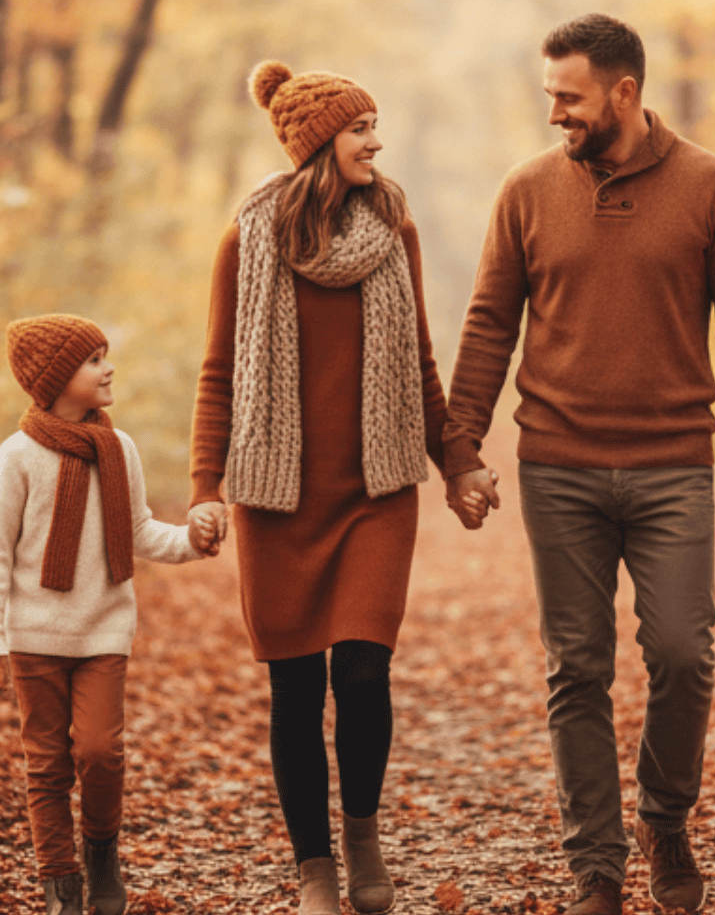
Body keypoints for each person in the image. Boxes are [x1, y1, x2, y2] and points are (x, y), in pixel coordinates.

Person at [442, 13, 715, 915]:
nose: (553, 112)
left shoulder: (711, 185)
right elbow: (488, 324)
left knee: (682, 652)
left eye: (569, 96)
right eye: (549, 94)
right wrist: (461, 448)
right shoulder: (525, 192)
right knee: (578, 665)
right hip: (557, 466)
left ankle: (664, 820)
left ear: (624, 93)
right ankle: (596, 864)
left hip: (674, 460)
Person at [189, 61, 460, 915]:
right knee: (297, 690)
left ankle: (364, 838)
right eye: (359, 129)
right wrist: (204, 487)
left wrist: (459, 465)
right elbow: (217, 375)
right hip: (275, 498)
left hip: (374, 492)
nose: (376, 142)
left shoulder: (394, 229)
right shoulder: (248, 239)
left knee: (365, 673)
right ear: (316, 147)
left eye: (375, 125)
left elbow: (419, 362)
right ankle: (313, 868)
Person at [0, 314, 205, 915]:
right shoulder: (17, 457)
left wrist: (193, 542)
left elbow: (141, 532)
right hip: (33, 637)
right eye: (94, 359)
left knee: (101, 752)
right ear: (55, 379)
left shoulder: (118, 449)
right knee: (46, 765)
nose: (108, 368)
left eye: (105, 356)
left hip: (103, 630)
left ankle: (101, 851)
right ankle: (59, 879)